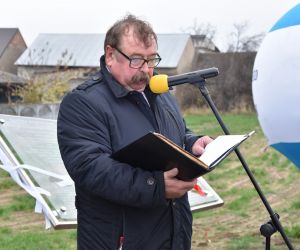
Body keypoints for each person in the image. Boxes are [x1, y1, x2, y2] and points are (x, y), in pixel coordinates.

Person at [57, 14, 213, 250]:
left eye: (151, 60)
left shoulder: (160, 95)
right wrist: (156, 186)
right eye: (137, 60)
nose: (146, 70)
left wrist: (192, 143)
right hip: (120, 238)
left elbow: (175, 133)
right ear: (110, 55)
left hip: (173, 234)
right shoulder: (83, 103)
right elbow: (90, 167)